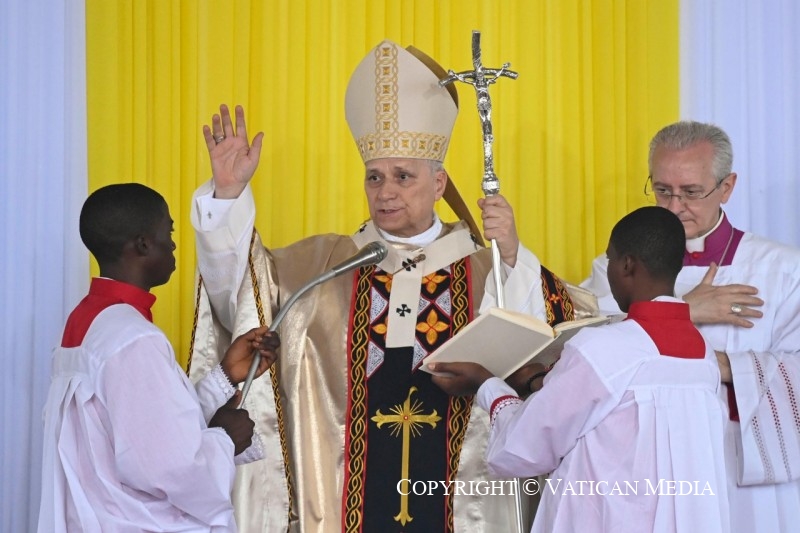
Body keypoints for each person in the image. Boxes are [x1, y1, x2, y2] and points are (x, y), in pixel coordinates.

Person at [187, 40, 592, 532]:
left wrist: (510, 254)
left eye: (403, 176)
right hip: (340, 501)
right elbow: (241, 295)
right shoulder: (321, 267)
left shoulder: (489, 271)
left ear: (440, 184)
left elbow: (564, 339)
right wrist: (228, 196)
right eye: (374, 177)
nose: (386, 191)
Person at [431, 206, 731, 532]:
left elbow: (525, 447)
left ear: (627, 264)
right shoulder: (701, 356)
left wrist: (486, 382)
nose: (610, 269)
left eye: (610, 260)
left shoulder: (602, 348)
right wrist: (537, 380)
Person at [580, 121, 800, 532]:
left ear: (727, 187)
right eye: (662, 190)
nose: (674, 206)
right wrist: (682, 311)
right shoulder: (618, 266)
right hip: (646, 465)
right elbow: (585, 352)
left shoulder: (784, 270)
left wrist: (717, 365)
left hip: (741, 466)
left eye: (691, 192)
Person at [38, 183, 280, 532]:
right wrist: (225, 438)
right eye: (168, 231)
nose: (174, 243)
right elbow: (170, 468)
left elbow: (142, 429)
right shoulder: (133, 338)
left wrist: (225, 375)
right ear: (143, 244)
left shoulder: (89, 321)